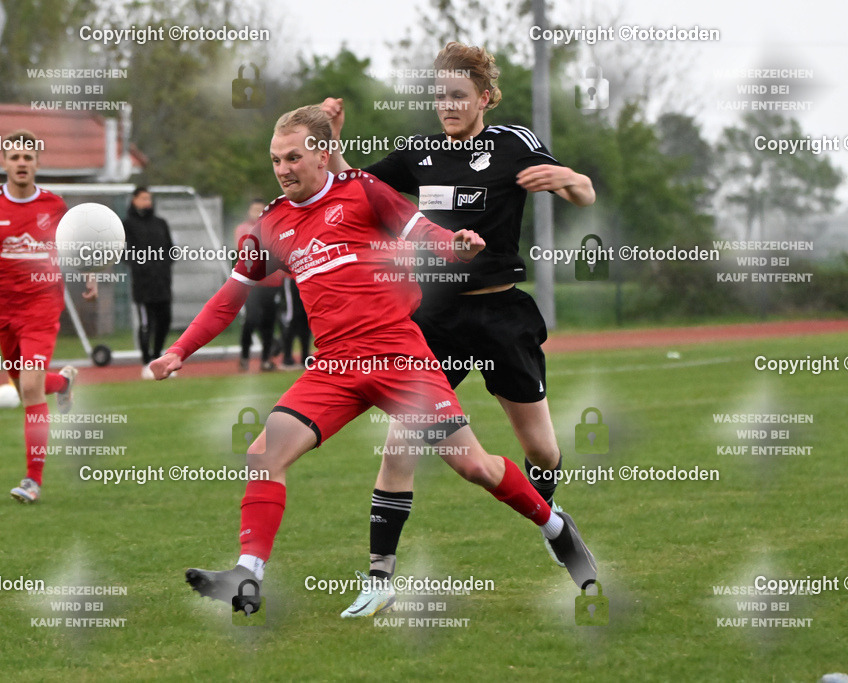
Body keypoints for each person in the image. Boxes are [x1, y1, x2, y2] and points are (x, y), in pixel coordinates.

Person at [149, 105, 596, 616]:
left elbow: (421, 231)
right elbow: (231, 296)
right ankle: (247, 576)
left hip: (400, 357)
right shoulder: (270, 224)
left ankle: (555, 526)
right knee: (263, 454)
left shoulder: (361, 191)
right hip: (334, 368)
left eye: (293, 157)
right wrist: (179, 350)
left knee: (473, 466)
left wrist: (457, 246)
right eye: (275, 159)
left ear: (321, 154)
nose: (283, 168)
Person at [320, 41, 597, 616]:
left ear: (484, 98)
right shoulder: (419, 153)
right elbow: (355, 187)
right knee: (401, 443)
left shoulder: (512, 144)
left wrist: (567, 178)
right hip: (436, 319)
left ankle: (548, 508)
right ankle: (379, 579)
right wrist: (332, 141)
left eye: (458, 96)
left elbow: (584, 194)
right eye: (439, 95)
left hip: (500, 317)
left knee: (541, 450)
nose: (446, 105)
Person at [0, 129, 97, 504]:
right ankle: (62, 384)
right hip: (3, 311)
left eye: (28, 158)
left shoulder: (54, 205)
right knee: (23, 387)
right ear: (3, 163)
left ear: (37, 164)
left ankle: (33, 480)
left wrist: (89, 274)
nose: (21, 163)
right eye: (15, 157)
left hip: (42, 307)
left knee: (29, 389)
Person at [122, 186, 175, 377]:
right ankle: (147, 362)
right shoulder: (127, 225)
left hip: (163, 282)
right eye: (143, 198)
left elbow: (170, 249)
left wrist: (165, 265)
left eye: (149, 198)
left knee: (165, 321)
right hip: (143, 285)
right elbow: (124, 252)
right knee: (146, 324)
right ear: (134, 200)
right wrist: (141, 266)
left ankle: (157, 357)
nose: (147, 202)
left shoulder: (161, 223)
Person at [234, 198, 283, 371]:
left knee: (269, 322)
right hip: (252, 284)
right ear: (249, 211)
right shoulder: (243, 229)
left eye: (261, 209)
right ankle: (245, 356)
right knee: (252, 319)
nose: (258, 213)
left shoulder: (275, 227)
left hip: (273, 282)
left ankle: (265, 359)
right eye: (255, 209)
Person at [278, 272, 310, 369]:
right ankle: (287, 357)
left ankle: (305, 357)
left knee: (306, 319)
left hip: (305, 277)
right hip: (291, 278)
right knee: (292, 318)